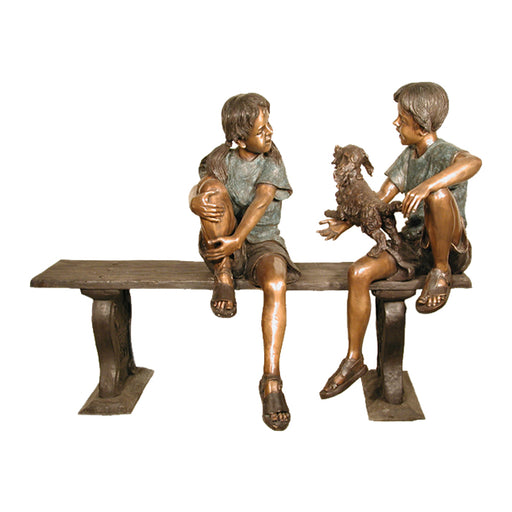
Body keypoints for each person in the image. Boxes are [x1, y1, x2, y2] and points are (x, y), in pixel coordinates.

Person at [318, 82, 482, 399]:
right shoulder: (408, 157)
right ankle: (354, 359)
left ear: (421, 124)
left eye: (402, 119)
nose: (396, 123)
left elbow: (473, 163)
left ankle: (440, 273)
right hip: (411, 246)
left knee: (438, 196)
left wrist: (426, 186)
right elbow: (380, 198)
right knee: (358, 273)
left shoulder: (446, 153)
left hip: (448, 249)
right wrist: (346, 223)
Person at [189, 93, 300, 430]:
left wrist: (240, 238)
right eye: (261, 129)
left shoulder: (272, 161)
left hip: (262, 243)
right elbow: (199, 187)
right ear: (239, 138)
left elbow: (261, 201)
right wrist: (194, 201)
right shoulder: (220, 158)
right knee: (210, 190)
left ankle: (271, 380)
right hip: (223, 244)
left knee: (276, 282)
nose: (270, 132)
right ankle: (223, 276)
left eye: (269, 125)